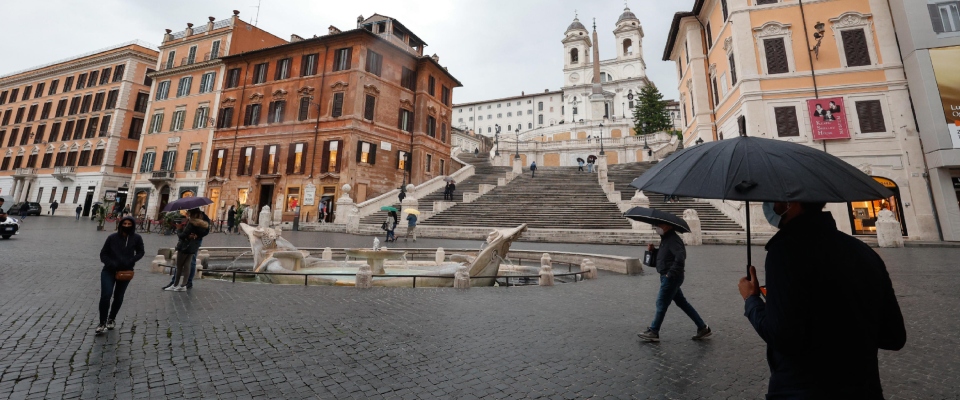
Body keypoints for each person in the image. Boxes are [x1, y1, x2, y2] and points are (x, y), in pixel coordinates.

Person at [738, 202, 905, 398]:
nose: (769, 205)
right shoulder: (863, 251)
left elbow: (783, 338)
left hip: (802, 390)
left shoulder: (785, 251)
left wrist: (751, 300)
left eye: (774, 199)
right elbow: (893, 336)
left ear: (793, 203)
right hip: (864, 390)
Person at [637, 222, 712, 342]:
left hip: (671, 277)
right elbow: (665, 257)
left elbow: (680, 257)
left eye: (660, 225)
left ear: (669, 226)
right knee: (683, 303)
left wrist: (669, 274)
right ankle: (703, 327)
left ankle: (654, 331)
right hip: (668, 276)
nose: (658, 228)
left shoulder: (673, 240)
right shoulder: (666, 239)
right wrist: (653, 251)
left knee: (661, 302)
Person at [96, 216, 145, 334]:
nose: (127, 226)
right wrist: (111, 264)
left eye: (129, 224)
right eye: (125, 223)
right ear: (120, 224)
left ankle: (111, 319)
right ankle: (102, 322)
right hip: (109, 270)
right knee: (106, 295)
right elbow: (103, 254)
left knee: (119, 296)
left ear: (132, 225)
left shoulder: (137, 238)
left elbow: (141, 252)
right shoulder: (112, 238)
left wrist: (131, 260)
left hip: (126, 271)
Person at [165, 209, 209, 292]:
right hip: (193, 246)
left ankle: (175, 284)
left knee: (179, 266)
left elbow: (182, 236)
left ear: (191, 214)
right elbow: (206, 231)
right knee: (188, 265)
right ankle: (184, 285)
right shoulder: (203, 223)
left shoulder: (191, 223)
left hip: (185, 246)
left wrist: (179, 229)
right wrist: (197, 236)